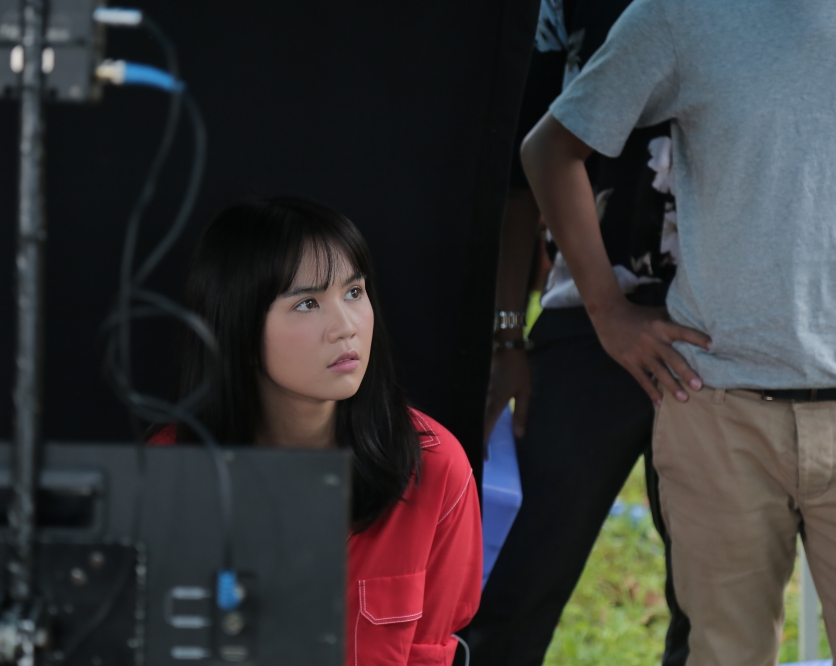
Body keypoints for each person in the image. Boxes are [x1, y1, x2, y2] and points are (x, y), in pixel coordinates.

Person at [519, 0, 836, 663]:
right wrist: (606, 310)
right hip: (719, 409)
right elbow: (549, 148)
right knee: (719, 653)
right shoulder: (682, 13)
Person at [149, 196, 482, 666]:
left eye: (354, 292)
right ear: (239, 327)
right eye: (307, 303)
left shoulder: (435, 467)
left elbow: (431, 650)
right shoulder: (170, 476)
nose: (345, 327)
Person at [468, 0, 689, 663]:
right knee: (509, 582)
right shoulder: (562, 7)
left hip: (721, 330)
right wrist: (508, 337)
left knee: (712, 607)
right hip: (587, 316)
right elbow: (520, 173)